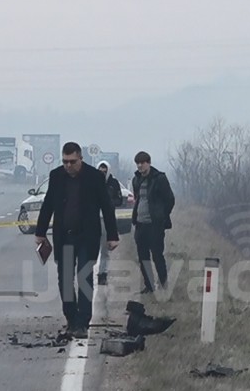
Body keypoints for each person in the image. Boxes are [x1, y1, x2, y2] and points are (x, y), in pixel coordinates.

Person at [34, 142, 120, 339]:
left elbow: (107, 207)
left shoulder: (95, 177)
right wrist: (40, 232)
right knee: (64, 280)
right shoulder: (56, 176)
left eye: (72, 161)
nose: (68, 166)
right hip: (64, 236)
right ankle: (71, 318)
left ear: (80, 158)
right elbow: (48, 205)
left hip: (87, 237)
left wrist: (113, 236)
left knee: (84, 278)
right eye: (65, 162)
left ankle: (83, 322)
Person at [130, 151, 175, 293]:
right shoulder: (136, 180)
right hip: (140, 224)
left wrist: (161, 216)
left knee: (157, 255)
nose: (140, 166)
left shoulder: (159, 178)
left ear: (148, 163)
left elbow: (170, 199)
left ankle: (163, 284)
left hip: (155, 225)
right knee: (143, 257)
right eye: (137, 163)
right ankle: (149, 286)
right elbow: (138, 199)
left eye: (142, 163)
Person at [95, 160, 124, 286]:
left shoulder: (113, 183)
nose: (102, 173)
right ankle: (87, 273)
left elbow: (119, 200)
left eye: (104, 171)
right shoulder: (92, 183)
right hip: (93, 219)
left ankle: (103, 274)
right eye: (100, 171)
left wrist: (109, 203)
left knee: (105, 250)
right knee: (91, 249)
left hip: (107, 219)